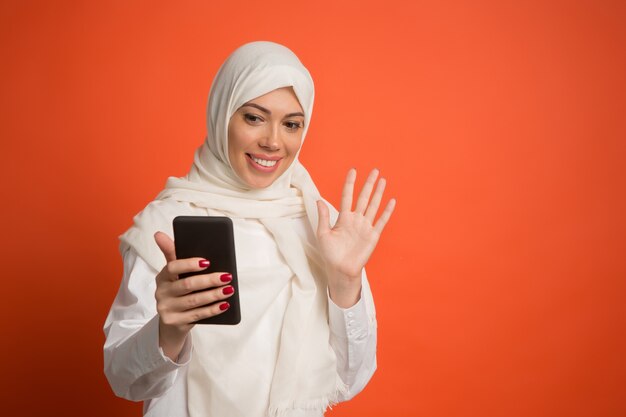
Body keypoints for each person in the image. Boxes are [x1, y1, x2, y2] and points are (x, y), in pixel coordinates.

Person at [103, 41, 396, 417]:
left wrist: (345, 282)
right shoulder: (164, 224)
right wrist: (168, 332)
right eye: (254, 117)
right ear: (222, 113)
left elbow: (349, 379)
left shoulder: (318, 226)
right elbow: (122, 379)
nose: (273, 141)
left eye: (291, 124)